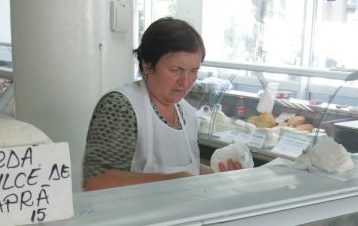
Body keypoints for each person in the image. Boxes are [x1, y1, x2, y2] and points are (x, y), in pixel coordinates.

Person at [83, 17, 240, 191]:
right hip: (135, 216)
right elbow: (96, 181)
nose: (185, 82)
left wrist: (220, 175)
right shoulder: (121, 107)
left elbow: (187, 170)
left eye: (194, 71)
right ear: (148, 65)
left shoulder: (186, 112)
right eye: (175, 70)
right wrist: (171, 181)